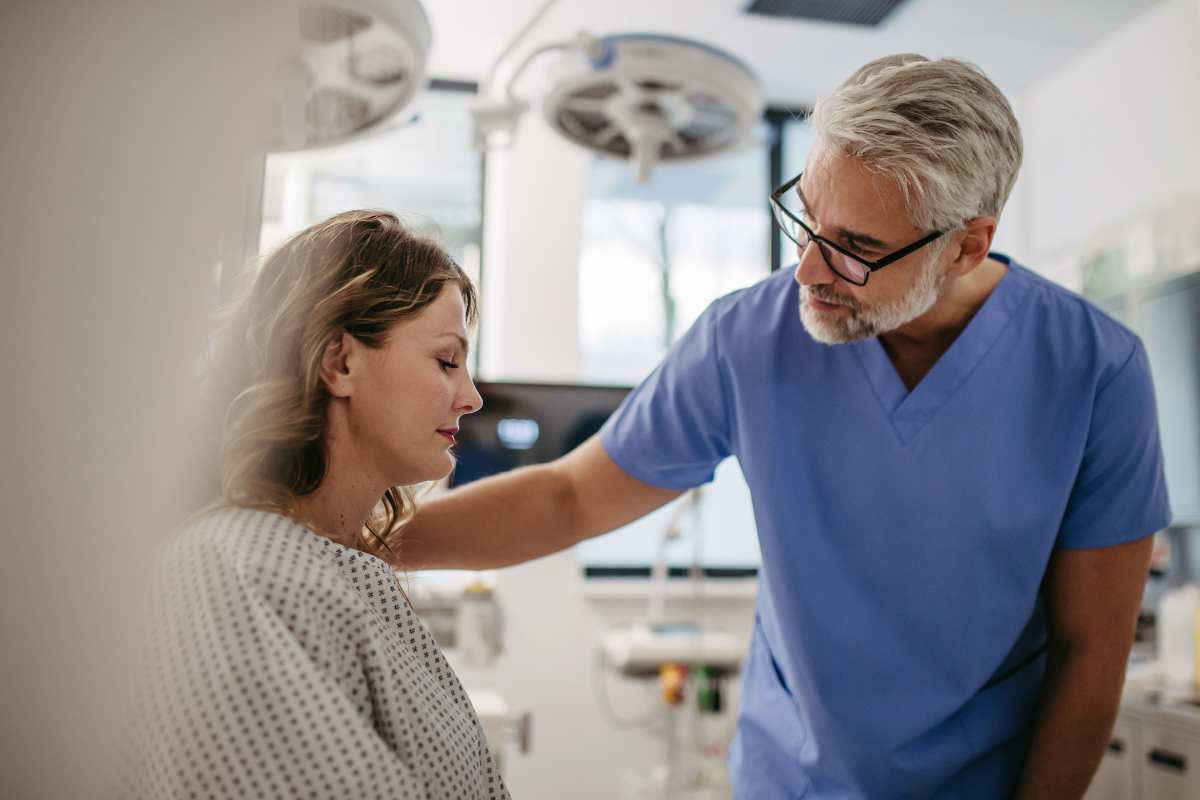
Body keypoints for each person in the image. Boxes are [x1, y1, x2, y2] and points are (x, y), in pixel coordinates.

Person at [394, 55, 1171, 799]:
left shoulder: (1092, 371)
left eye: (856, 248)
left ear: (966, 246)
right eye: (808, 217)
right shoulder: (749, 338)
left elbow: (1092, 650)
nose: (807, 269)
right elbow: (570, 498)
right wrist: (366, 539)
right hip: (789, 781)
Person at [131, 210, 506, 800]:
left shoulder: (334, 569)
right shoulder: (234, 569)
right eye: (446, 362)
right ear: (339, 362)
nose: (472, 398)